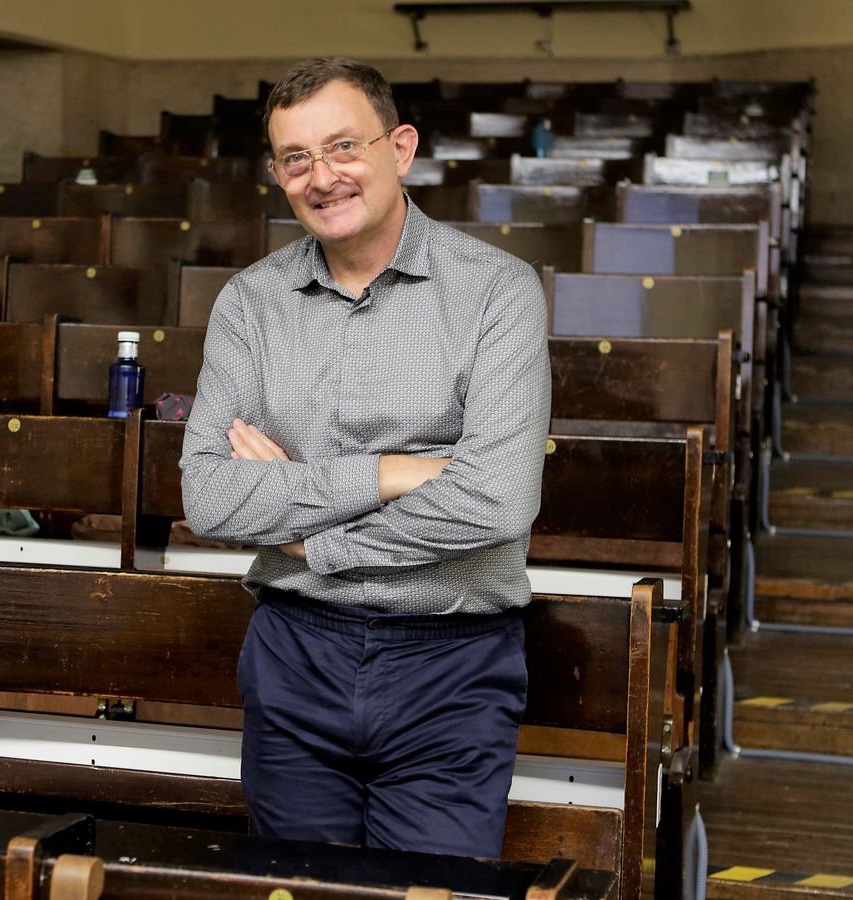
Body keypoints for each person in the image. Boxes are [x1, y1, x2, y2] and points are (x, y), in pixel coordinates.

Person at [178, 57, 551, 859]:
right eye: (296, 158)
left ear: (401, 148)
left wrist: (310, 540)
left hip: (450, 665)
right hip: (294, 656)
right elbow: (209, 496)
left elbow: (495, 502)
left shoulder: (498, 291)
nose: (323, 177)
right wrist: (391, 473)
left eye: (344, 146)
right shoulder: (249, 304)